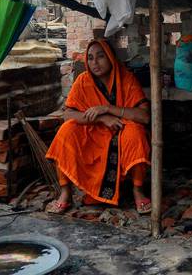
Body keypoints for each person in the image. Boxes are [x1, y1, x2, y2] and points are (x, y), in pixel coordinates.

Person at [45, 40, 151, 215]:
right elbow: (68, 115)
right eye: (91, 58)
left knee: (136, 133)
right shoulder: (83, 81)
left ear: (110, 58)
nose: (95, 63)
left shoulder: (127, 79)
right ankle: (65, 193)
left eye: (101, 56)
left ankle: (138, 191)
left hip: (122, 129)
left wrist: (109, 109)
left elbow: (144, 116)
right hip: (94, 131)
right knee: (66, 131)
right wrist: (102, 118)